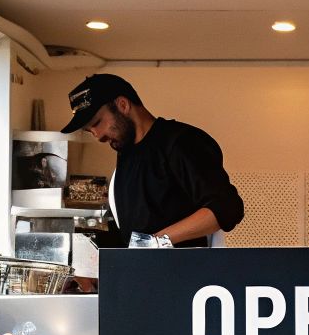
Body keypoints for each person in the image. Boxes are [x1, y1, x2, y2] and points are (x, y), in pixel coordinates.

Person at [60, 74, 244, 249]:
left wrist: (154, 242)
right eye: (89, 131)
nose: (97, 135)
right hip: (143, 270)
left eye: (97, 123)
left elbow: (226, 207)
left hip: (190, 270)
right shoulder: (126, 156)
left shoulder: (181, 142)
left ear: (123, 105)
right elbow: (133, 231)